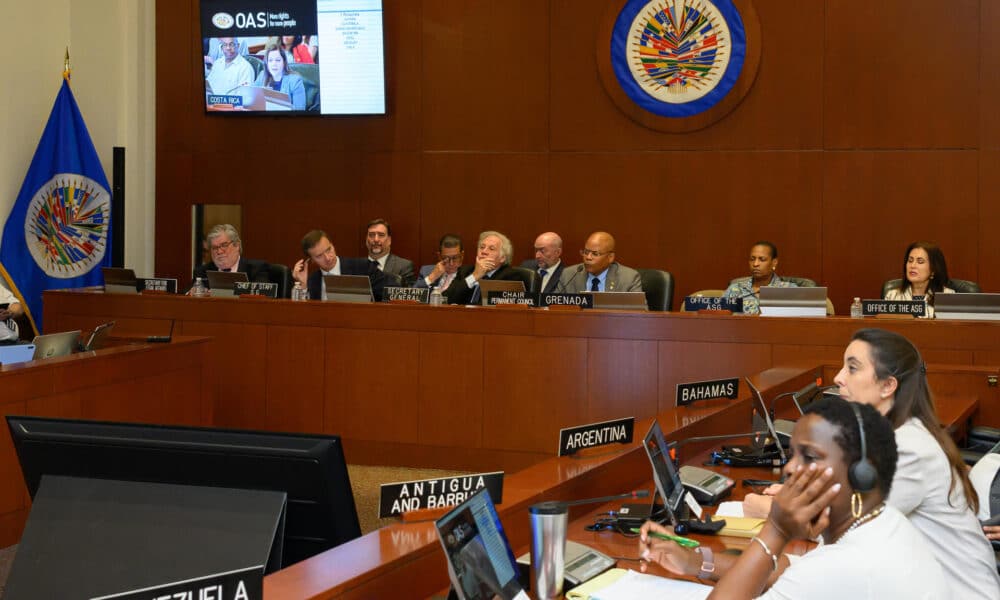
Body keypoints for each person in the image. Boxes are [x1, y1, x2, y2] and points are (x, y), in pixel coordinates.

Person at [745, 328, 1000, 598]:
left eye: (852, 368)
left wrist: (773, 510)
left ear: (887, 385)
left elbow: (844, 527)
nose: (838, 378)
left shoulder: (909, 449)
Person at [641, 396, 946, 599]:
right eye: (793, 454)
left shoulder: (846, 565)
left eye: (810, 457)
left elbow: (812, 571)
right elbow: (792, 566)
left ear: (860, 473)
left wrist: (776, 530)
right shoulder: (884, 522)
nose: (790, 468)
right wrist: (696, 562)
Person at [293, 229, 391, 301]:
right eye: (319, 256)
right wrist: (303, 285)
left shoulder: (362, 267)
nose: (328, 257)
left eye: (328, 249)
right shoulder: (312, 280)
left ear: (333, 245)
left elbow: (390, 291)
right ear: (311, 260)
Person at [443, 231, 533, 305]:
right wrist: (474, 276)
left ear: (502, 258)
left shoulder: (512, 276)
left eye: (491, 249)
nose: (484, 252)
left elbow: (493, 307)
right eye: (482, 247)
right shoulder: (465, 271)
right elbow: (445, 299)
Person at [883, 241, 955, 318]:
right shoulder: (892, 296)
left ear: (933, 270)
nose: (912, 265)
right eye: (910, 261)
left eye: (920, 261)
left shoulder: (948, 297)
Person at [723, 241, 797, 315]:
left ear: (774, 262)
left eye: (762, 259)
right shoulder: (735, 289)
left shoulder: (789, 290)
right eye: (752, 259)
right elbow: (720, 319)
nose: (755, 264)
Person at [555, 232, 642, 293]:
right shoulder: (568, 275)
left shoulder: (629, 278)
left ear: (610, 257)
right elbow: (554, 309)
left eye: (595, 254)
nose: (588, 257)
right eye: (586, 252)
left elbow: (641, 314)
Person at [192, 224, 270, 287]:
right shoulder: (202, 272)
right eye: (214, 247)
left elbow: (263, 297)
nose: (219, 251)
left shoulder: (256, 269)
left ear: (237, 245)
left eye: (224, 245)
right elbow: (186, 293)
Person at [365, 219, 416, 287]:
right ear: (366, 239)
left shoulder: (404, 267)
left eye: (381, 235)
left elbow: (409, 295)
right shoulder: (355, 267)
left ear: (389, 240)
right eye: (371, 235)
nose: (376, 239)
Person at [254, 44, 305, 110]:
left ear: (284, 62)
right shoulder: (262, 76)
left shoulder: (295, 80)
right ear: (267, 63)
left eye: (278, 60)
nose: (274, 64)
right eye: (270, 60)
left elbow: (300, 110)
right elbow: (253, 99)